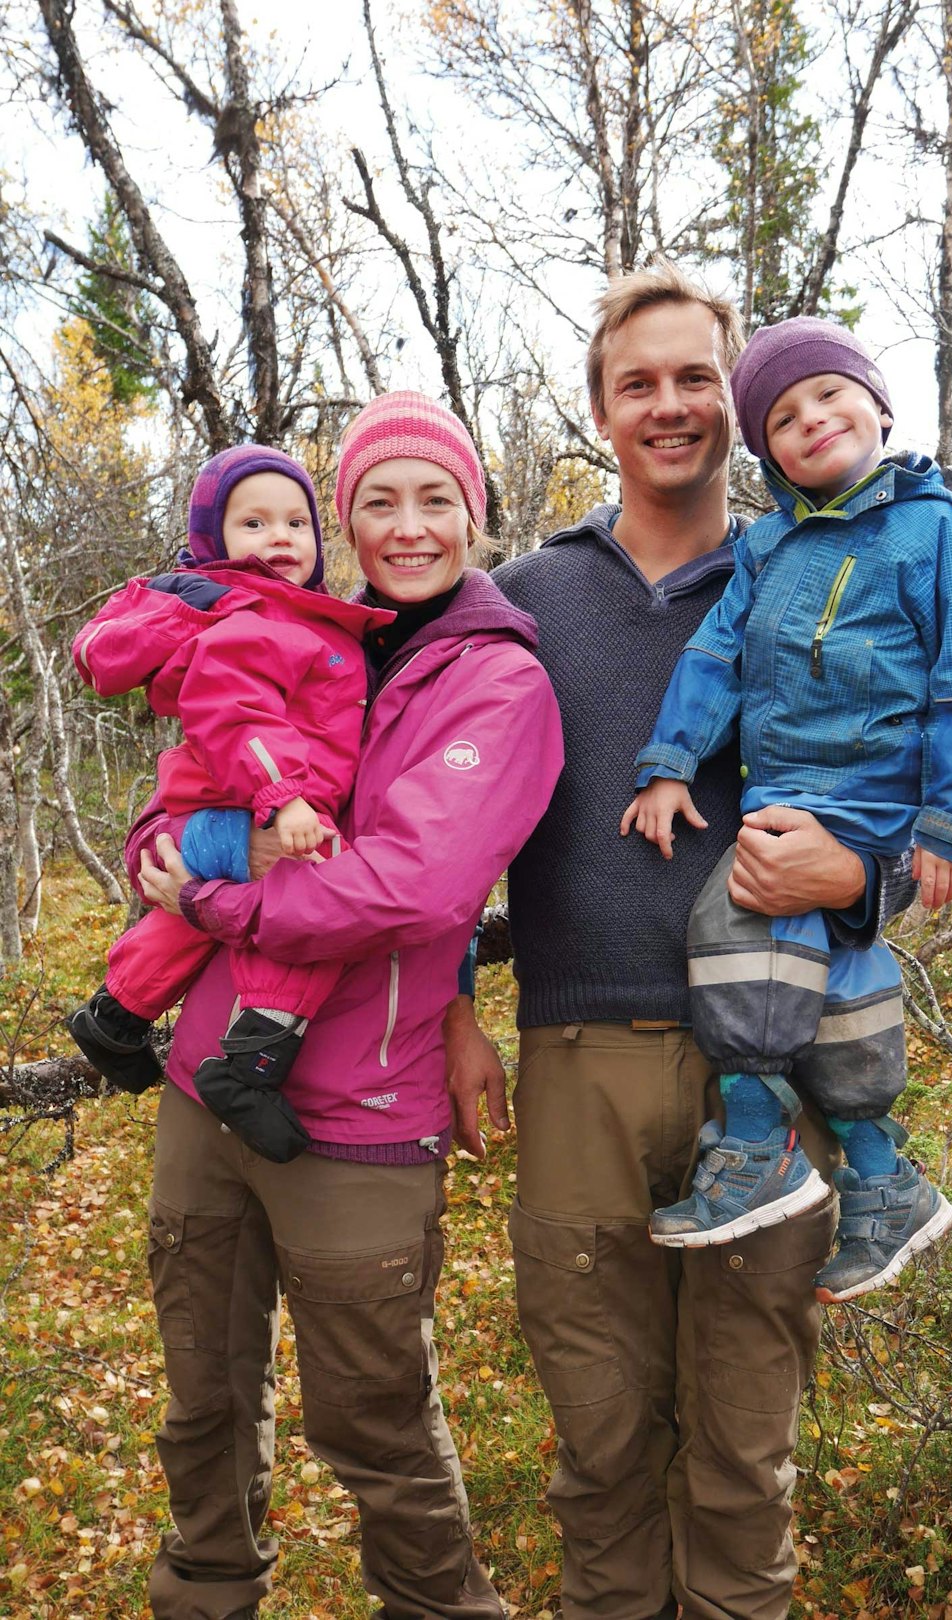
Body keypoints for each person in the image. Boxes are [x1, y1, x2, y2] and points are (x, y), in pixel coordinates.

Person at [446, 262, 923, 1620]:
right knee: (598, 1456)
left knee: (740, 1463)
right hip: (577, 1059)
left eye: (695, 377)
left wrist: (866, 873)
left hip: (767, 1069)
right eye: (637, 382)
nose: (670, 405)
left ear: (740, 397)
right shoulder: (523, 599)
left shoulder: (824, 569)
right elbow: (439, 818)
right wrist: (444, 1011)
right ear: (600, 409)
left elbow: (912, 774)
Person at [123, 391, 564, 1619]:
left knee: (372, 1423)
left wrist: (215, 902)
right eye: (379, 501)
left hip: (358, 1114)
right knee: (201, 1401)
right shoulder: (300, 631)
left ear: (475, 516)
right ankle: (207, 1592)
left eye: (438, 501)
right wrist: (173, 848)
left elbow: (415, 888)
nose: (409, 526)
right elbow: (183, 793)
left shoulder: (497, 681)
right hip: (203, 1090)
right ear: (343, 523)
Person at [621, 317, 952, 1303]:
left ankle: (757, 1138)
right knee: (832, 976)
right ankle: (882, 1176)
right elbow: (714, 656)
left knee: (735, 918)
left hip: (879, 798)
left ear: (878, 406)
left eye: (828, 397)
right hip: (783, 793)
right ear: (767, 453)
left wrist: (948, 817)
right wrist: (672, 761)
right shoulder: (767, 546)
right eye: (782, 419)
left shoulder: (936, 529)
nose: (810, 422)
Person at [68, 446, 393, 1162]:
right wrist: (285, 799)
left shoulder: (293, 614)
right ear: (215, 543)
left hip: (224, 801)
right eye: (254, 523)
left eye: (296, 523)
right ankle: (251, 1063)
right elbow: (238, 712)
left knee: (191, 917)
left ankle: (116, 1014)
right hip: (252, 796)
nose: (280, 538)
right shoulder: (258, 617)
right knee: (317, 895)